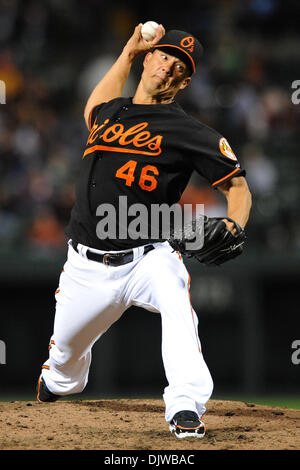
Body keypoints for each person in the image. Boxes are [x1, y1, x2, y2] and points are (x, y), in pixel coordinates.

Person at [36, 24, 252, 439]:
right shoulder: (110, 112)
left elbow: (237, 186)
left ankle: (185, 405)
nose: (169, 65)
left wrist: (234, 223)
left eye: (180, 65)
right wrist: (128, 51)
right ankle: (61, 380)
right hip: (85, 266)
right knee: (63, 362)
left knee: (176, 298)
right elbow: (93, 106)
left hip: (149, 254)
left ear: (185, 81)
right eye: (166, 55)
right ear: (150, 59)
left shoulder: (190, 131)